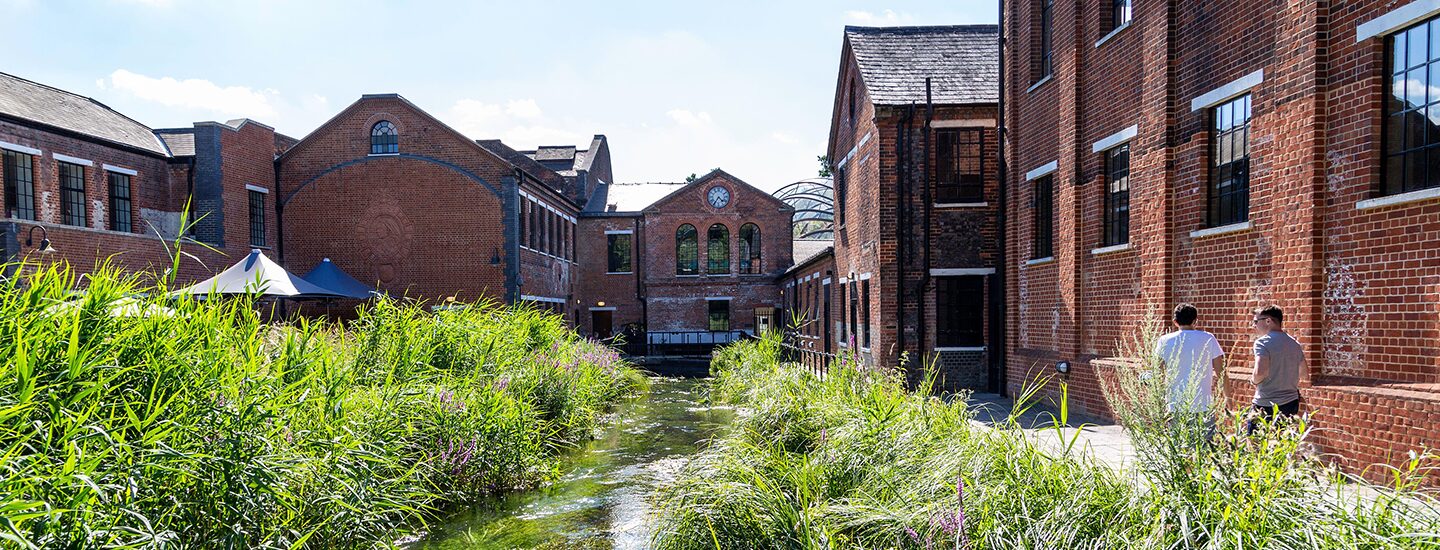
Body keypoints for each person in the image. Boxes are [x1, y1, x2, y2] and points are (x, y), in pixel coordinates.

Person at [1154, 303, 1224, 414]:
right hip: (1202, 403)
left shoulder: (1164, 340)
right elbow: (1221, 372)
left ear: (1175, 322)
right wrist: (1228, 397)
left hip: (1175, 403)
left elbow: (1158, 372)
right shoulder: (1208, 338)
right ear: (1195, 320)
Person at [1248, 305, 1305, 434]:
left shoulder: (1262, 342)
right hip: (1291, 403)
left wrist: (1253, 381)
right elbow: (1304, 373)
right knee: (1282, 444)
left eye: (1256, 321)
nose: (1254, 325)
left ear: (1268, 321)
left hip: (1266, 404)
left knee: (1255, 445)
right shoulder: (1294, 343)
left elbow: (1260, 372)